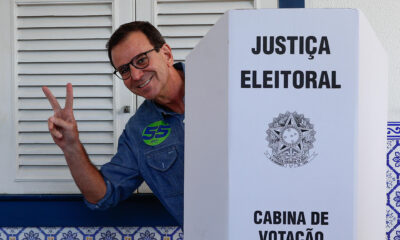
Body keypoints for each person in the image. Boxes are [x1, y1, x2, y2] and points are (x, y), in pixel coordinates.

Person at [42, 21, 185, 226]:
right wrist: (71, 146)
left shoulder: (228, 82)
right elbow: (102, 196)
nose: (135, 75)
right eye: (125, 69)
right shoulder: (138, 131)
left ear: (167, 54)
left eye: (142, 60)